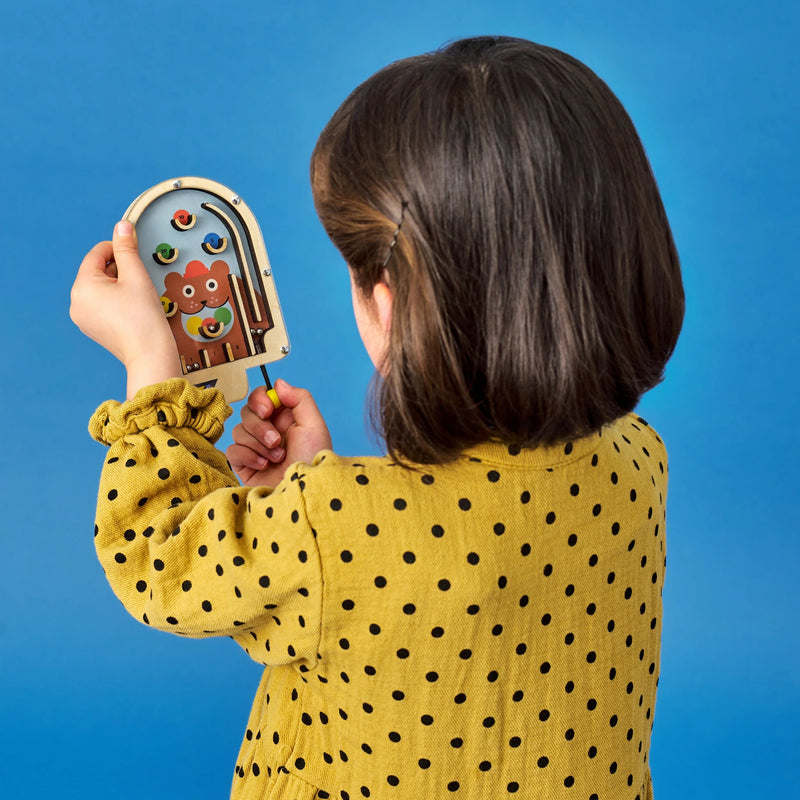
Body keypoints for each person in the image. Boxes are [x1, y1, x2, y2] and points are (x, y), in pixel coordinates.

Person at [70, 36, 683, 800]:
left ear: (385, 305)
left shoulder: (331, 526)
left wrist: (150, 372)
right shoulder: (637, 462)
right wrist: (310, 488)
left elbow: (156, 558)